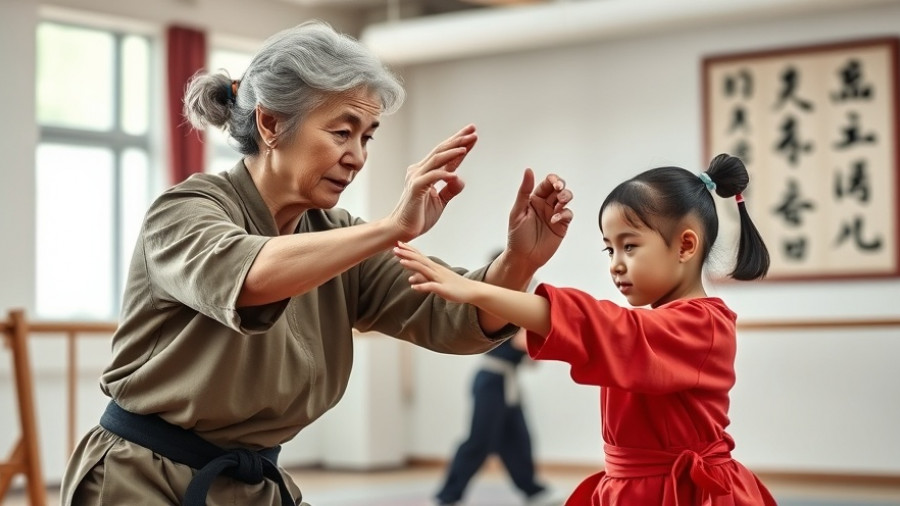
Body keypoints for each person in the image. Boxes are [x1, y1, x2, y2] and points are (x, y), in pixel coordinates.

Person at [59, 20, 574, 506]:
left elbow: (452, 316)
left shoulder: (340, 237)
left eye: (367, 136)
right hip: (143, 478)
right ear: (270, 122)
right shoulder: (185, 211)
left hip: (252, 484)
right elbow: (252, 276)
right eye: (342, 132)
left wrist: (518, 261)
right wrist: (391, 228)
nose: (358, 156)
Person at [393, 153, 778, 505]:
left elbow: (607, 327)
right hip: (631, 487)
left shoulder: (703, 325)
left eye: (630, 246)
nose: (615, 264)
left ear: (685, 246)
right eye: (610, 249)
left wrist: (475, 289)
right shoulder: (657, 323)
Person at [434, 256, 561, 506]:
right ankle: (447, 497)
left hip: (507, 383)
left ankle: (532, 490)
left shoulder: (513, 305)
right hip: (491, 383)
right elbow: (522, 342)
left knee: (518, 439)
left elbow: (532, 357)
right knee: (480, 441)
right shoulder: (498, 305)